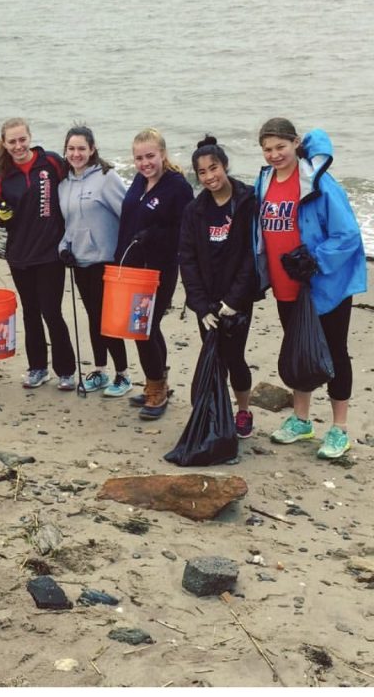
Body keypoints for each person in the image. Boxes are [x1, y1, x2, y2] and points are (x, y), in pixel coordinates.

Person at [254, 117, 367, 459]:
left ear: (295, 144)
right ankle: (302, 421)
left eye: (280, 147)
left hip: (325, 286)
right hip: (286, 287)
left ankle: (339, 429)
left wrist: (315, 259)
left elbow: (347, 234)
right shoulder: (265, 182)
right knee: (297, 349)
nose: (274, 155)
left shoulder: (318, 182)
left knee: (334, 352)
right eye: (267, 149)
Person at [179, 135, 259, 437]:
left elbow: (252, 256)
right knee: (214, 357)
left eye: (214, 168)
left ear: (224, 166)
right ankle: (217, 411)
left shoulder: (247, 201)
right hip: (207, 302)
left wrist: (234, 300)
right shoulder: (194, 211)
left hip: (237, 299)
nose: (210, 177)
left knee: (233, 356)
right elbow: (186, 259)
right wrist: (200, 306)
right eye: (202, 172)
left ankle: (242, 411)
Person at [0, 118, 77, 390]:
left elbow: (77, 180)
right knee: (30, 312)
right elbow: (0, 215)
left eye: (22, 139)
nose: (18, 146)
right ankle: (37, 368)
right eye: (12, 141)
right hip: (19, 255)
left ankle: (66, 371)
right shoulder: (1, 176)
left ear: (30, 137)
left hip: (50, 253)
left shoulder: (50, 163)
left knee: (52, 312)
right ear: (4, 143)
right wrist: (0, 216)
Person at [115, 127, 194, 419]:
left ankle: (157, 388)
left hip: (159, 269)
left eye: (150, 156)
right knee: (145, 328)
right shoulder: (139, 181)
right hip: (133, 267)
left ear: (162, 154)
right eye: (139, 158)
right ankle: (155, 381)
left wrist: (154, 234)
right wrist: (119, 260)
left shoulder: (177, 186)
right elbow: (128, 220)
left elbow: (184, 231)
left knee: (144, 328)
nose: (145, 163)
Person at [58, 125, 132, 397]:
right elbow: (68, 223)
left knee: (108, 319)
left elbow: (126, 215)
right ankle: (100, 370)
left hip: (106, 261)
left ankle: (123, 374)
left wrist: (128, 254)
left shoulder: (106, 177)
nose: (76, 154)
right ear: (65, 151)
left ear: (92, 150)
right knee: (92, 317)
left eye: (81, 149)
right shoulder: (64, 184)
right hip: (79, 261)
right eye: (71, 149)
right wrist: (64, 248)